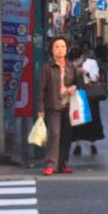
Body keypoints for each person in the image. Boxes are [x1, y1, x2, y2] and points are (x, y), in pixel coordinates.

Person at [38, 36, 78, 176]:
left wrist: (74, 87)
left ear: (67, 49)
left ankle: (63, 163)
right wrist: (41, 109)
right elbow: (41, 90)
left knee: (67, 135)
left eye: (63, 47)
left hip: (69, 106)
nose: (60, 49)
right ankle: (50, 164)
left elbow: (78, 84)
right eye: (57, 47)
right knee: (54, 134)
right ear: (51, 50)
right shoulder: (47, 67)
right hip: (53, 105)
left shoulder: (71, 66)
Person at [68, 47, 105, 156]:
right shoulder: (71, 65)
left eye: (77, 59)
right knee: (77, 120)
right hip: (76, 94)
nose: (76, 61)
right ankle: (78, 144)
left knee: (92, 118)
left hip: (90, 94)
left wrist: (85, 72)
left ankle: (93, 144)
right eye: (74, 60)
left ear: (81, 57)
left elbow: (96, 77)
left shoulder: (91, 62)